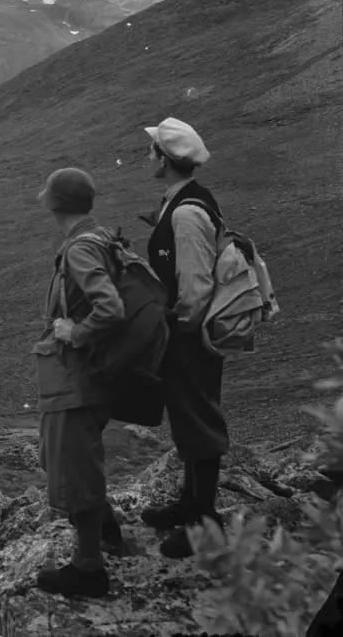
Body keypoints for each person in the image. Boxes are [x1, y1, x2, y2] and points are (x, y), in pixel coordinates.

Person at [31, 167, 126, 599]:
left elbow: (110, 308)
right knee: (61, 457)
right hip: (83, 379)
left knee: (74, 465)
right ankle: (105, 526)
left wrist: (76, 333)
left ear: (56, 204)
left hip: (76, 378)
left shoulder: (79, 251)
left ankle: (88, 567)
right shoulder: (98, 237)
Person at [138, 117, 229, 559]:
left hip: (191, 336)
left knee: (198, 420)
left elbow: (194, 287)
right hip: (187, 334)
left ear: (166, 159)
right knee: (189, 418)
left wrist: (181, 330)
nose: (147, 156)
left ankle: (204, 521)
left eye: (152, 150)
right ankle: (190, 504)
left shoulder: (188, 213)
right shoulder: (184, 201)